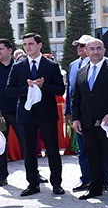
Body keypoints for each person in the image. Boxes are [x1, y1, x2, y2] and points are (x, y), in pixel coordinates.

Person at [5, 33, 66, 196]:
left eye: (30, 44)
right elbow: (9, 90)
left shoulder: (51, 66)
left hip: (46, 115)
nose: (27, 47)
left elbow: (60, 89)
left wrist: (43, 86)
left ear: (39, 45)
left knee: (52, 150)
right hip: (26, 115)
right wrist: (28, 88)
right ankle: (33, 184)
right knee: (29, 150)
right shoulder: (18, 66)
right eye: (25, 44)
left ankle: (57, 184)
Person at [70, 39, 108, 200]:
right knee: (92, 156)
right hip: (88, 123)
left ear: (104, 50)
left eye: (98, 48)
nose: (95, 52)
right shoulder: (81, 72)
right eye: (92, 49)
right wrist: (76, 119)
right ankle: (95, 187)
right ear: (86, 51)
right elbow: (76, 98)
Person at [64, 35, 93, 192]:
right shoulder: (74, 64)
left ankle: (103, 179)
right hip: (78, 112)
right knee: (82, 150)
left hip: (95, 113)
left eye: (83, 45)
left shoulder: (101, 62)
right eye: (78, 45)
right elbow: (70, 89)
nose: (79, 48)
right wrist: (68, 111)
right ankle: (85, 179)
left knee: (98, 149)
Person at [0, 38, 18, 186]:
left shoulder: (19, 67)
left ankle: (34, 175)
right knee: (0, 146)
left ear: (10, 50)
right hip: (1, 115)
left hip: (18, 112)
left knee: (28, 144)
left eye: (1, 49)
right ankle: (1, 176)